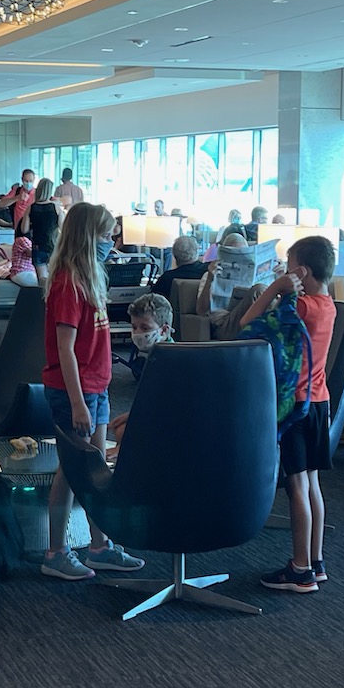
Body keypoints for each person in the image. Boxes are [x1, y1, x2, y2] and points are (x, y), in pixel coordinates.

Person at [39, 201, 146, 582]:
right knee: (71, 471)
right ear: (88, 237)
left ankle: (99, 545)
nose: (111, 241)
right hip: (76, 392)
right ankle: (55, 551)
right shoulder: (68, 282)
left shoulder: (90, 277)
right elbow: (64, 348)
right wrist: (77, 402)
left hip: (95, 389)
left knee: (97, 470)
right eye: (105, 235)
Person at [239, 235, 337, 593]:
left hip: (294, 405)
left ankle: (299, 569)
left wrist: (275, 289)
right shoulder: (327, 304)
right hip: (319, 401)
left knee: (296, 484)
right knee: (312, 483)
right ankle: (316, 560)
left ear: (302, 270)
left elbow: (247, 324)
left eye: (289, 263)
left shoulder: (300, 308)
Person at [151, 234, 207, 305]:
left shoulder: (167, 278)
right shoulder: (208, 273)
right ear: (197, 252)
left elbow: (153, 303)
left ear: (174, 254)